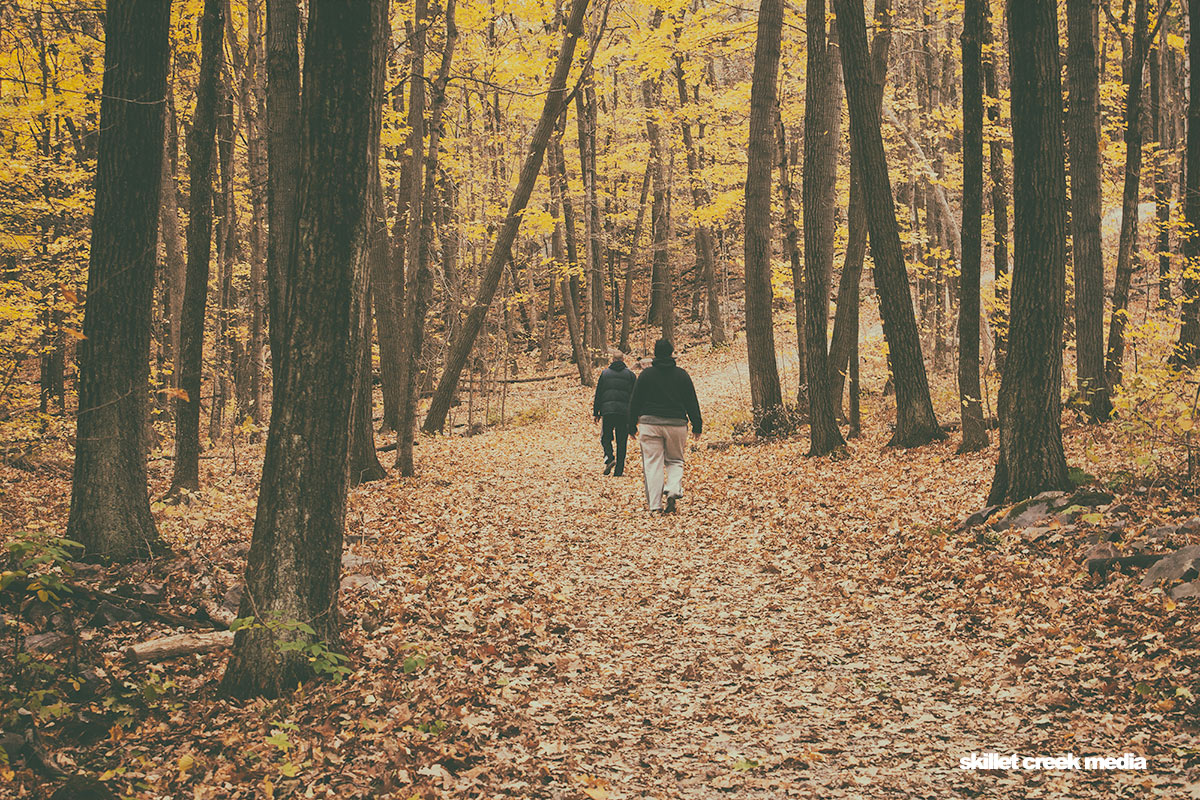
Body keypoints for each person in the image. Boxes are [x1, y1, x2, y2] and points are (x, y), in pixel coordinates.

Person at [628, 338, 702, 514]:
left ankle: (655, 506)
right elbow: (692, 401)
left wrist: (631, 425)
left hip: (649, 424)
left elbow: (635, 401)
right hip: (676, 424)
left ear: (655, 354)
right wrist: (697, 425)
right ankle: (673, 488)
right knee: (675, 460)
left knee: (653, 463)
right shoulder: (682, 375)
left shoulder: (646, 375)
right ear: (671, 353)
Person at [592, 349, 636, 476]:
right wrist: (635, 415)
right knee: (621, 441)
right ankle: (618, 471)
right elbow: (635, 396)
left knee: (605, 437)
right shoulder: (630, 375)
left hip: (608, 411)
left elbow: (599, 393)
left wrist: (596, 412)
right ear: (623, 360)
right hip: (624, 413)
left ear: (612, 360)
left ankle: (610, 457)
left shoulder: (605, 374)